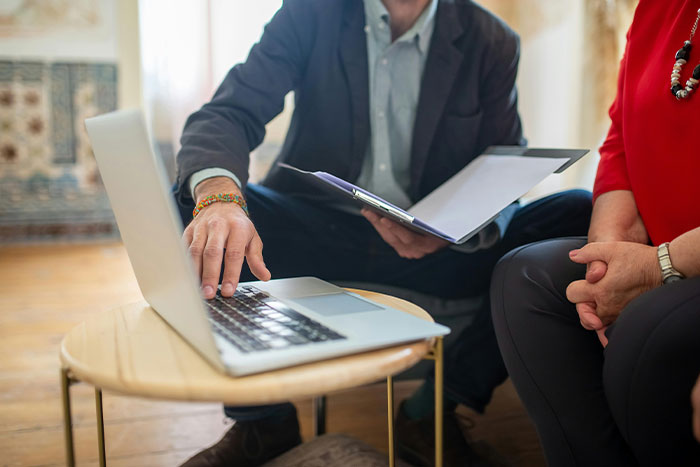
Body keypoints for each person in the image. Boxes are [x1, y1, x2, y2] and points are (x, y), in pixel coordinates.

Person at [174, 0, 592, 465]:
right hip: (318, 231)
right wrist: (218, 195)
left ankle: (430, 410)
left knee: (577, 211)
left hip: (438, 250)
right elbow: (229, 112)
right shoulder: (310, 14)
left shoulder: (492, 39)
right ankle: (264, 424)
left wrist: (458, 231)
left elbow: (505, 164)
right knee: (192, 198)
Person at [491, 1, 700, 466]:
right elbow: (622, 137)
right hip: (662, 248)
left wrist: (657, 267)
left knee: (650, 325)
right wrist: (606, 259)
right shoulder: (659, 8)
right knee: (526, 278)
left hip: (690, 259)